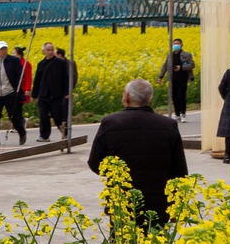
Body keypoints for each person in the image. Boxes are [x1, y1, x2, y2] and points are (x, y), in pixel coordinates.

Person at [87, 77, 188, 225]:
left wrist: (117, 174)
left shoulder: (110, 123)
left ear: (126, 97)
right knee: (156, 239)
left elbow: (95, 163)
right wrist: (177, 206)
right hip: (158, 201)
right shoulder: (168, 125)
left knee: (122, 240)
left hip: (122, 200)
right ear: (150, 99)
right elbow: (179, 170)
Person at [31, 42, 74, 141]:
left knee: (57, 116)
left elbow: (66, 78)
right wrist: (34, 94)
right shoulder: (41, 64)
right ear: (44, 51)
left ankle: (65, 133)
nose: (50, 52)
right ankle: (44, 136)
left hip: (56, 95)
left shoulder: (60, 63)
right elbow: (37, 80)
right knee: (43, 116)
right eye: (48, 50)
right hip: (43, 94)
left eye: (52, 50)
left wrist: (67, 92)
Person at [0, 40, 27, 146]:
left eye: (5, 49)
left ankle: (22, 132)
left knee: (13, 116)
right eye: (1, 49)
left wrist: (16, 91)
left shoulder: (13, 60)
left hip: (9, 92)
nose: (3, 51)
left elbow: (19, 76)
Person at [157, 38, 195, 122]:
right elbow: (165, 66)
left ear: (181, 45)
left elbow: (192, 65)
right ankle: (177, 114)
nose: (176, 45)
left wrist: (181, 67)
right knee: (174, 97)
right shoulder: (170, 55)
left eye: (178, 43)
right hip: (173, 79)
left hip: (183, 78)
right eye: (174, 44)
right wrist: (161, 76)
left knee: (181, 96)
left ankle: (183, 114)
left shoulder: (187, 55)